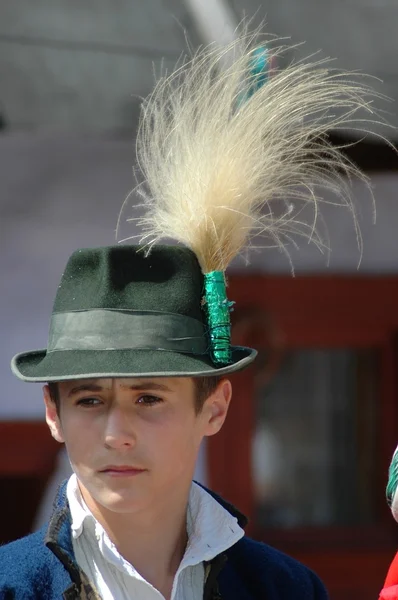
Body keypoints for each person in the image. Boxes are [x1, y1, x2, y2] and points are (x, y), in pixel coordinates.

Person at [0, 28, 379, 600]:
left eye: (149, 398)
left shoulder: (285, 589)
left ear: (216, 406)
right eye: (88, 399)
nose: (116, 433)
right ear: (52, 412)